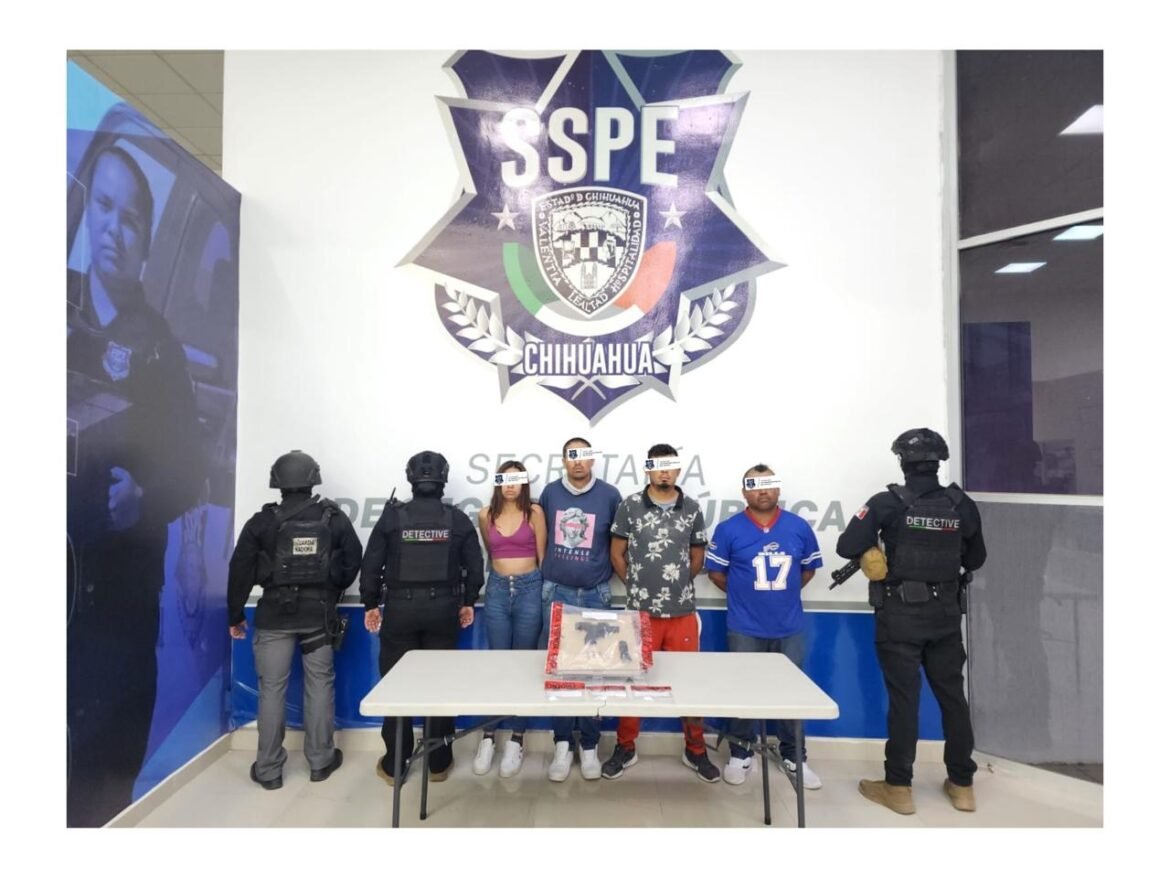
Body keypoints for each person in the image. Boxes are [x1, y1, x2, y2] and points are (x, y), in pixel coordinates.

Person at [66, 144, 203, 826]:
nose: (114, 230)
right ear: (87, 211)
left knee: (104, 761)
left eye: (131, 220)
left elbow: (192, 470)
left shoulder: (159, 348)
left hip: (118, 593)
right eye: (104, 207)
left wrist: (144, 498)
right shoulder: (49, 307)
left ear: (147, 241)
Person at [837, 428, 987, 815]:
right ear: (938, 462)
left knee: (905, 701)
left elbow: (846, 546)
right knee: (953, 698)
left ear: (903, 462)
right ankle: (963, 785)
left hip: (900, 616)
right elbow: (976, 559)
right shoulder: (961, 504)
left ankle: (899, 787)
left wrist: (873, 549)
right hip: (945, 616)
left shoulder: (887, 503)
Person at [226, 451, 362, 790]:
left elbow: (240, 568)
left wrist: (235, 613)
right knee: (320, 685)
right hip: (318, 616)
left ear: (277, 482)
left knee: (271, 690)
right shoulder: (333, 517)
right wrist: (334, 585)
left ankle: (269, 770)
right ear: (313, 479)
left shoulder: (262, 522)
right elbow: (354, 558)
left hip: (273, 616)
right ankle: (321, 761)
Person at [360, 451, 483, 785]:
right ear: (443, 478)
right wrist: (468, 601)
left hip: (400, 611)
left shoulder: (392, 518)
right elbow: (475, 567)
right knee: (439, 687)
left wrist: (370, 603)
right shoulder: (457, 519)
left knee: (395, 687)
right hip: (443, 611)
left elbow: (371, 565)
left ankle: (395, 764)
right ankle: (438, 763)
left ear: (411, 478)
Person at [705, 464, 824, 788]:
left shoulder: (798, 527)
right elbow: (716, 574)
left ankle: (794, 755)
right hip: (744, 626)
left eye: (769, 484)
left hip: (789, 626)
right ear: (744, 492)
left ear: (778, 488)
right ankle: (740, 752)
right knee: (742, 688)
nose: (763, 490)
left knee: (792, 693)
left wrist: (780, 596)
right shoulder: (729, 529)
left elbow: (808, 570)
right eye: (755, 485)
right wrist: (745, 596)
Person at [603, 443, 715, 782]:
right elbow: (617, 554)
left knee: (688, 684)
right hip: (640, 614)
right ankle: (626, 747)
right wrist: (637, 585)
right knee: (633, 682)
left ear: (678, 470)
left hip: (681, 613)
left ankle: (695, 750)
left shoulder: (691, 508)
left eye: (670, 466)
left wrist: (676, 584)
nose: (664, 472)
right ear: (648, 469)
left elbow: (697, 556)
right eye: (658, 465)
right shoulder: (629, 506)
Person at [537, 437, 622, 781]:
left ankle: (589, 745)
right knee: (560, 671)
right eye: (571, 456)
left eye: (583, 456)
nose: (577, 462)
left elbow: (618, 544)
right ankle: (562, 744)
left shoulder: (610, 496)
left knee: (593, 671)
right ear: (563, 460)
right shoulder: (549, 494)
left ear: (592, 461)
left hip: (596, 594)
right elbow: (541, 537)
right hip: (556, 592)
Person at [472, 461, 547, 777]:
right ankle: (488, 735)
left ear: (524, 483)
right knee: (498, 663)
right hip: (498, 590)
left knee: (523, 664)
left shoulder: (535, 513)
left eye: (517, 479)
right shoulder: (485, 515)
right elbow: (491, 552)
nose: (511, 485)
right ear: (498, 482)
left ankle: (517, 737)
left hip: (530, 588)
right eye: (505, 479)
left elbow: (542, 557)